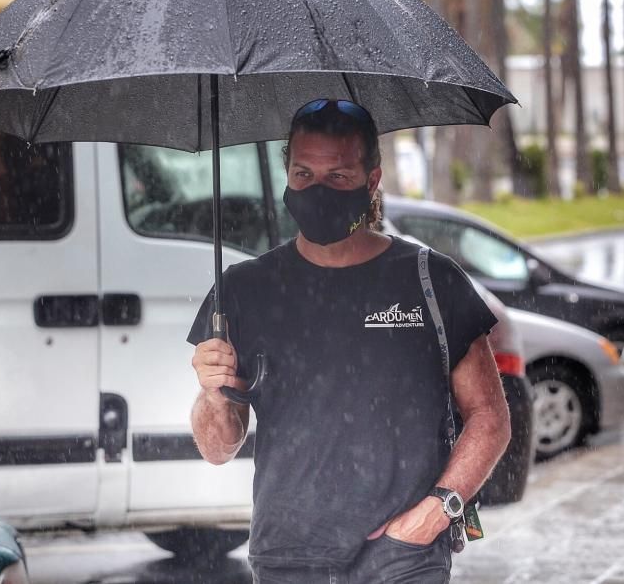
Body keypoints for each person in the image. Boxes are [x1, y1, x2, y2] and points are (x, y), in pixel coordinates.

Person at [188, 99, 511, 583]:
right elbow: (218, 448)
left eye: (337, 176)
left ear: (372, 180)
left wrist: (438, 510)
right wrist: (211, 391)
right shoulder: (243, 289)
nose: (317, 189)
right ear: (287, 175)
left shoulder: (430, 280)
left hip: (403, 561)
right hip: (286, 558)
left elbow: (490, 416)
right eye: (303, 174)